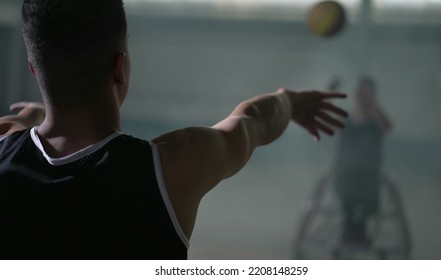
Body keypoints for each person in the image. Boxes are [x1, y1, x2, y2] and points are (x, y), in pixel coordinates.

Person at [0, 0, 348, 260]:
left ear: (34, 69)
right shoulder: (173, 166)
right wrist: (290, 102)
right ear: (120, 67)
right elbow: (255, 121)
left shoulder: (5, 147)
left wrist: (36, 120)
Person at [331, 76, 392, 247]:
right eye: (361, 93)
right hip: (347, 173)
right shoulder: (348, 120)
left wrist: (372, 105)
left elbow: (387, 127)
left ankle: (360, 235)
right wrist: (331, 94)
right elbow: (330, 119)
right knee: (349, 204)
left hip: (369, 174)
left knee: (366, 205)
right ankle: (350, 235)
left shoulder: (375, 121)